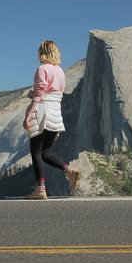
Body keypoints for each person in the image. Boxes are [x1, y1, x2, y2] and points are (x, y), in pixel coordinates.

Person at [23, 40, 80, 200]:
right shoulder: (60, 72)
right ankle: (70, 172)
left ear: (42, 53)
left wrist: (29, 114)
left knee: (36, 152)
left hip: (42, 112)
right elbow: (54, 92)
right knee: (46, 152)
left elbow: (41, 92)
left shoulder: (42, 69)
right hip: (55, 113)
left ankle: (40, 189)